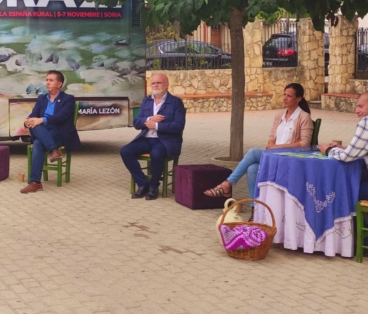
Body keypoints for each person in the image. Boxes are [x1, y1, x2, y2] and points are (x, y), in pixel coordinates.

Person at [204, 83, 313, 218]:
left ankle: (227, 184)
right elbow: (271, 138)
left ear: (298, 99)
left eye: (289, 96)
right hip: (274, 156)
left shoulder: (304, 117)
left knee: (253, 152)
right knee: (252, 169)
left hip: (289, 159)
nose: (285, 98)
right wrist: (272, 145)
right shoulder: (279, 115)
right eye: (284, 94)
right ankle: (255, 211)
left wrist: (276, 147)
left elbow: (305, 144)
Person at [120, 73, 186, 201]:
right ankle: (142, 183)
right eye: (153, 83)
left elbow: (178, 126)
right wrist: (149, 119)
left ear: (166, 84)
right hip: (146, 139)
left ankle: (153, 186)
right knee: (125, 151)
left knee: (156, 154)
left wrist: (156, 126)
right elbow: (136, 123)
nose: (156, 85)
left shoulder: (175, 102)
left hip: (166, 141)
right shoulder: (147, 100)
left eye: (159, 83)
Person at [20, 70, 81, 193]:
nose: (47, 83)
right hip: (44, 131)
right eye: (47, 80)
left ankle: (35, 182)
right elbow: (34, 114)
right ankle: (54, 150)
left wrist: (41, 120)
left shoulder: (68, 99)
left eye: (51, 80)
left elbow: (62, 116)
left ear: (59, 84)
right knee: (35, 126)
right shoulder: (42, 98)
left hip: (60, 133)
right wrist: (27, 121)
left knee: (37, 143)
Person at [319, 92, 368, 201]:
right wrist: (343, 147)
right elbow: (362, 148)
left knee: (341, 188)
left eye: (360, 106)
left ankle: (341, 218)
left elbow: (347, 157)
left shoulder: (366, 121)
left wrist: (329, 150)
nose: (356, 111)